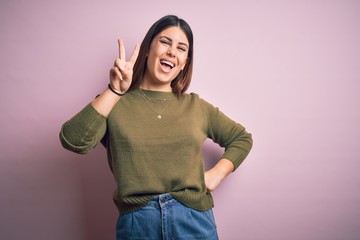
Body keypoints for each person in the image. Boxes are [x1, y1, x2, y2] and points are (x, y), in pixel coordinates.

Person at [60, 15, 253, 240]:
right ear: (147, 49)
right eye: (165, 42)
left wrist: (217, 174)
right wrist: (114, 91)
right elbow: (73, 140)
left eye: (182, 48)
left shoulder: (196, 107)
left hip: (194, 222)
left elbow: (242, 138)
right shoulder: (115, 102)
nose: (172, 51)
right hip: (137, 225)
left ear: (184, 63)